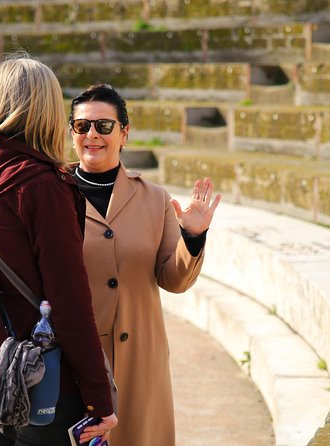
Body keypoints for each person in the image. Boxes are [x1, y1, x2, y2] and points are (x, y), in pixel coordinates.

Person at [0, 54, 117, 446]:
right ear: (47, 110)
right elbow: (68, 300)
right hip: (46, 382)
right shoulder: (42, 186)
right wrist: (100, 397)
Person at [69, 84, 221, 445]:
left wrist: (193, 237)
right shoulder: (53, 193)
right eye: (81, 126)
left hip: (141, 361)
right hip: (76, 362)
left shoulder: (154, 199)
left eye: (104, 126)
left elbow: (175, 279)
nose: (92, 135)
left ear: (124, 133)